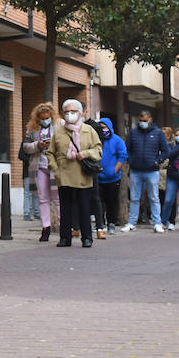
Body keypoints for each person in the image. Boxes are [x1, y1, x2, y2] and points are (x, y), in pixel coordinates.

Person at [44, 99, 103, 248]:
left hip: (83, 174)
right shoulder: (59, 132)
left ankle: (87, 237)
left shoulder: (88, 130)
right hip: (64, 175)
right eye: (67, 112)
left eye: (73, 111)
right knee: (66, 208)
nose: (70, 115)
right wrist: (55, 169)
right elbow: (50, 153)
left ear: (80, 113)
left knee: (84, 207)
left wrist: (86, 153)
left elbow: (98, 151)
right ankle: (65, 238)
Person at [122, 109, 170, 233]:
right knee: (134, 198)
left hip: (152, 170)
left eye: (145, 120)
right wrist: (130, 160)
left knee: (154, 197)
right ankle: (131, 222)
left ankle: (157, 223)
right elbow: (127, 149)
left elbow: (165, 151)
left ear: (150, 120)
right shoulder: (133, 133)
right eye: (140, 121)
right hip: (136, 170)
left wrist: (157, 161)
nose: (142, 123)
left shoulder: (158, 133)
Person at [21, 103, 59, 241]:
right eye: (42, 118)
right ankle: (45, 227)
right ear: (37, 118)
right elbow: (25, 147)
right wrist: (38, 145)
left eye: (47, 118)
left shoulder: (58, 126)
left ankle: (63, 226)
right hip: (38, 166)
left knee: (57, 198)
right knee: (42, 198)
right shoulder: (32, 129)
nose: (45, 120)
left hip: (55, 166)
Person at [94, 118, 126, 237]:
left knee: (111, 202)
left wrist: (114, 170)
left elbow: (122, 156)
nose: (102, 130)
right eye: (100, 128)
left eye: (104, 127)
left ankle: (111, 223)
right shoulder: (96, 140)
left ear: (109, 127)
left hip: (113, 178)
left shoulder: (117, 140)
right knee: (99, 202)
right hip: (98, 177)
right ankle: (100, 224)